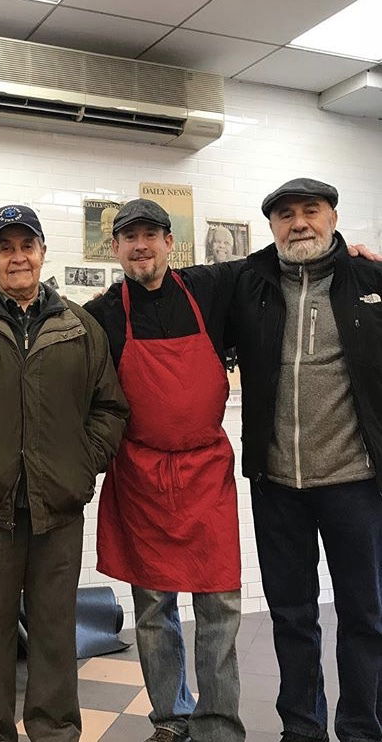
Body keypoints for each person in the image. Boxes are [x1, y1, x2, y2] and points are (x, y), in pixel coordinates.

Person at [0, 204, 128, 742]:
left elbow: (109, 409)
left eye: (27, 245)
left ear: (42, 252)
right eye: (5, 247)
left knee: (53, 633)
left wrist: (82, 463)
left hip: (58, 508)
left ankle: (55, 731)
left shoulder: (81, 328)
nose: (17, 257)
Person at [85, 199, 245, 742]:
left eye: (151, 234)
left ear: (169, 242)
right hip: (140, 477)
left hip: (206, 476)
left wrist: (354, 257)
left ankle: (219, 724)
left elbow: (278, 262)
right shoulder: (104, 312)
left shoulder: (208, 288)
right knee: (153, 609)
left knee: (219, 605)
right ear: (116, 249)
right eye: (129, 237)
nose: (141, 245)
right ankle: (171, 719)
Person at [229, 178, 382, 742]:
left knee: (366, 617)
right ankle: (303, 728)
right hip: (277, 486)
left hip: (357, 484)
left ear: (333, 216)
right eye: (286, 215)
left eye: (310, 212)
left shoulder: (371, 280)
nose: (299, 224)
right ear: (271, 227)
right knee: (292, 617)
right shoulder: (250, 283)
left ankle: (364, 727)